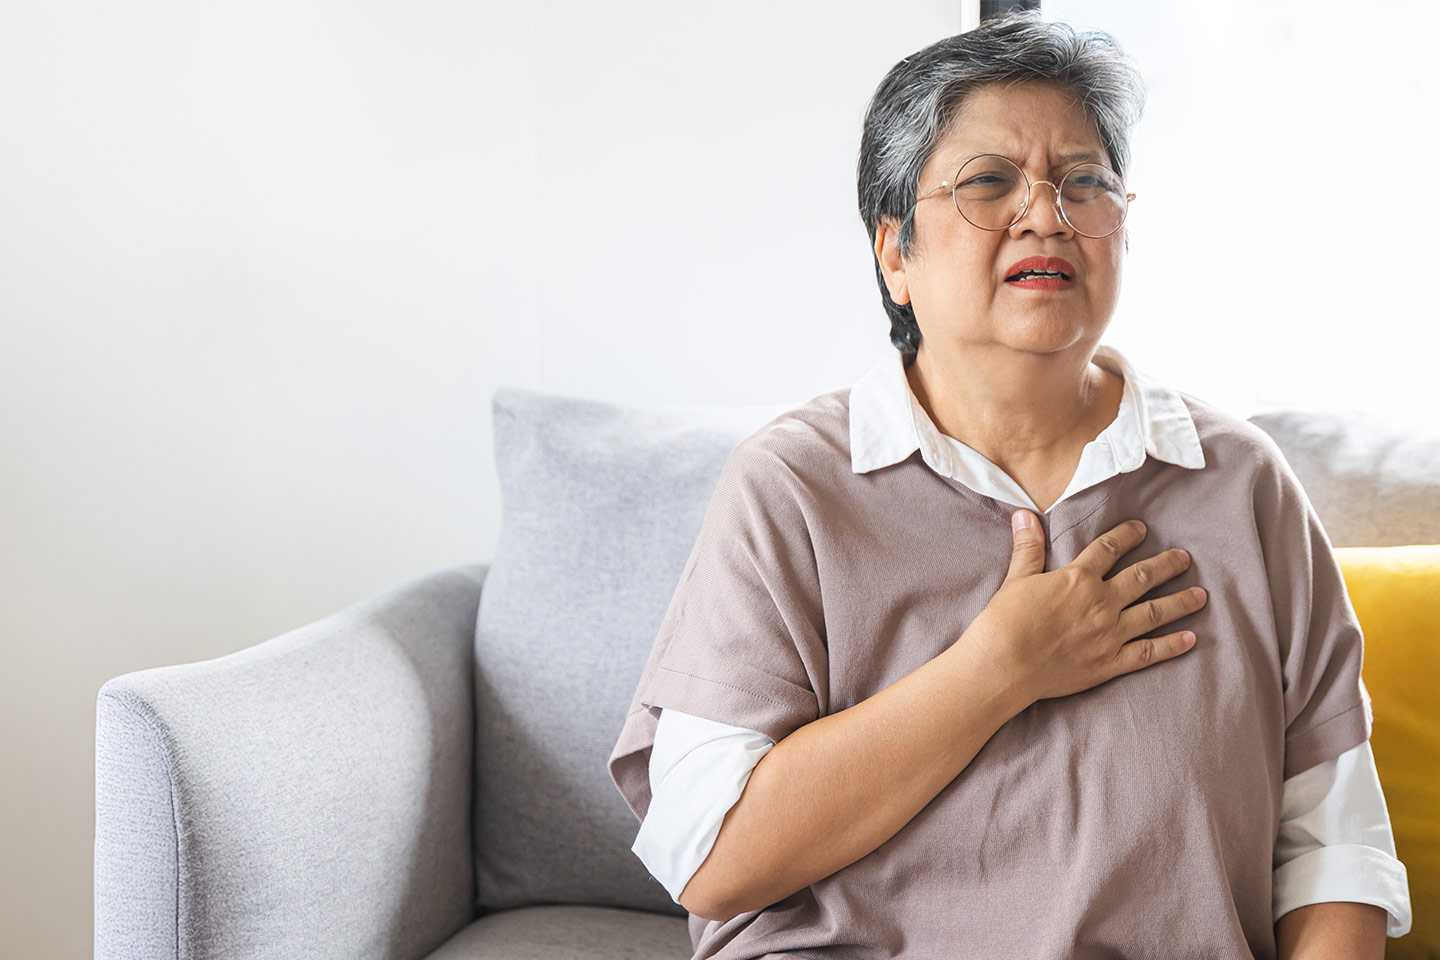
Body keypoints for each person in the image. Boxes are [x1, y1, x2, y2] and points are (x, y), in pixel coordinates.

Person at [607, 13, 1411, 959]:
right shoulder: (792, 484)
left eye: (1085, 183)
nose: (1047, 216)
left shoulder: (1240, 485)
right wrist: (997, 671)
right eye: (989, 182)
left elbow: (1333, 852)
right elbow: (713, 858)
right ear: (893, 253)